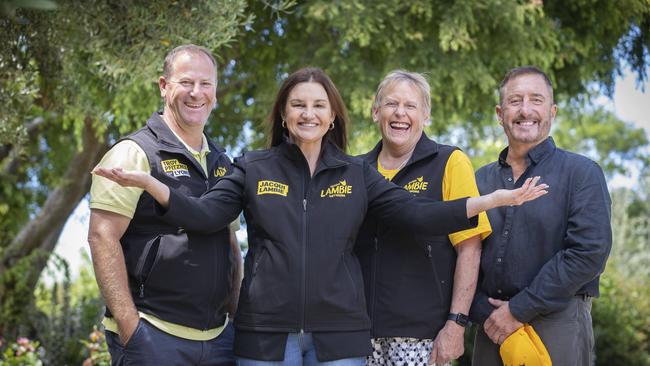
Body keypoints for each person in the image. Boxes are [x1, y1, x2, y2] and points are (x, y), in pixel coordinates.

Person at [94, 67, 547, 366]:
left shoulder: (358, 174)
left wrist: (491, 201)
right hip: (265, 339)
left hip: (341, 341)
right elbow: (207, 214)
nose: (308, 113)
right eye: (298, 105)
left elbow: (418, 214)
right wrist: (155, 186)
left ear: (332, 116)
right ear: (285, 116)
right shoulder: (253, 166)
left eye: (318, 106)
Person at [87, 44, 242, 366]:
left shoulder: (222, 162)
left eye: (205, 84)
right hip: (153, 337)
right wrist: (130, 326)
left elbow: (231, 242)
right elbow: (102, 237)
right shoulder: (134, 153)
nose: (196, 93)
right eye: (186, 82)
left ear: (216, 91)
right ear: (163, 86)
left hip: (219, 338)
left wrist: (235, 315)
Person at [470, 66, 612, 366]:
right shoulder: (478, 181)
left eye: (536, 100)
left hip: (557, 322)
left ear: (552, 111)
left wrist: (518, 309)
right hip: (491, 326)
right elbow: (461, 253)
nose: (525, 110)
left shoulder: (582, 173)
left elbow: (589, 252)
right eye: (515, 101)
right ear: (499, 112)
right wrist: (486, 313)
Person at [355, 70, 492, 366]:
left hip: (421, 336)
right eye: (391, 104)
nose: (400, 113)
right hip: (355, 332)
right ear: (375, 112)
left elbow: (470, 248)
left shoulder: (449, 162)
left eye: (411, 106)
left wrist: (456, 324)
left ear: (426, 116)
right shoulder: (355, 170)